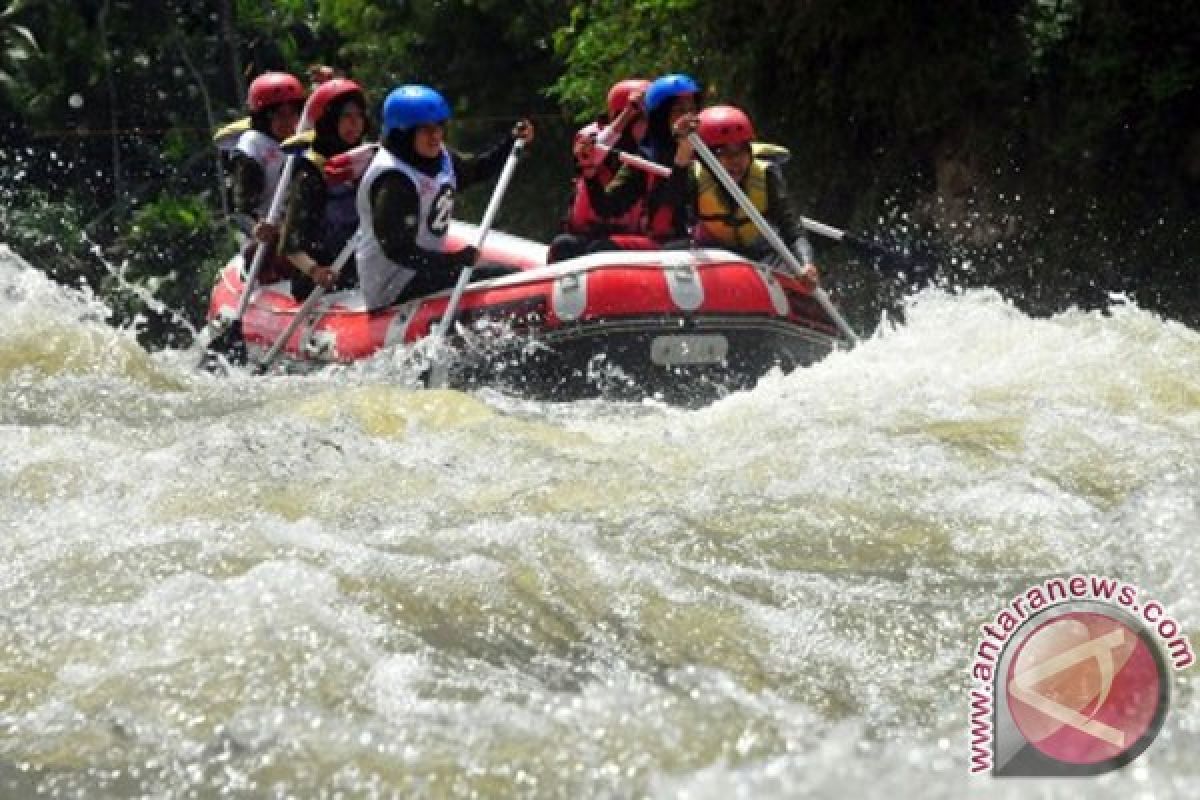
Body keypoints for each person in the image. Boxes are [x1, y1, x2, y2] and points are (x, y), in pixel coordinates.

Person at [355, 84, 534, 311]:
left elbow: (477, 170)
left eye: (439, 127)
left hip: (424, 271)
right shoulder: (393, 181)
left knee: (506, 274)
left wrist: (510, 143)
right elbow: (398, 250)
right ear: (404, 133)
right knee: (498, 275)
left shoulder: (440, 159)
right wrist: (455, 260)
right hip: (393, 288)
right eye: (426, 130)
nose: (436, 136)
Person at [567, 73, 701, 255]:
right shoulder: (644, 158)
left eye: (692, 109)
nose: (688, 117)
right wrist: (591, 175)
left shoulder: (709, 150)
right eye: (679, 110)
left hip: (701, 245)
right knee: (598, 248)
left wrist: (685, 154)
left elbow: (683, 197)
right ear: (661, 117)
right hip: (665, 246)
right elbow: (608, 207)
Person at [690, 104, 817, 281]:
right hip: (711, 257)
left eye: (741, 150)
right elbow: (672, 215)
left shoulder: (766, 176)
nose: (735, 160)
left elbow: (792, 230)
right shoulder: (694, 179)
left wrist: (806, 263)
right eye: (723, 152)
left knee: (802, 279)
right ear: (705, 158)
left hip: (762, 256)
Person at [211, 72, 306, 282]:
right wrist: (257, 228)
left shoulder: (307, 139)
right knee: (272, 250)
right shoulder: (252, 150)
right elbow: (240, 209)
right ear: (264, 117)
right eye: (280, 115)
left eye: (293, 114)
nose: (289, 122)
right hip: (265, 235)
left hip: (300, 227)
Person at [281, 77, 370, 300]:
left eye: (359, 116)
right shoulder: (310, 174)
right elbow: (290, 244)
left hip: (361, 272)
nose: (355, 123)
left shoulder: (367, 161)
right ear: (330, 122)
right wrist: (315, 270)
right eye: (347, 117)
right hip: (319, 283)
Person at [546, 78, 650, 263]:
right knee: (562, 245)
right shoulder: (590, 136)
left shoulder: (648, 148)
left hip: (625, 236)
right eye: (644, 119)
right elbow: (594, 153)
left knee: (604, 248)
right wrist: (627, 114)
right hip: (584, 233)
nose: (649, 126)